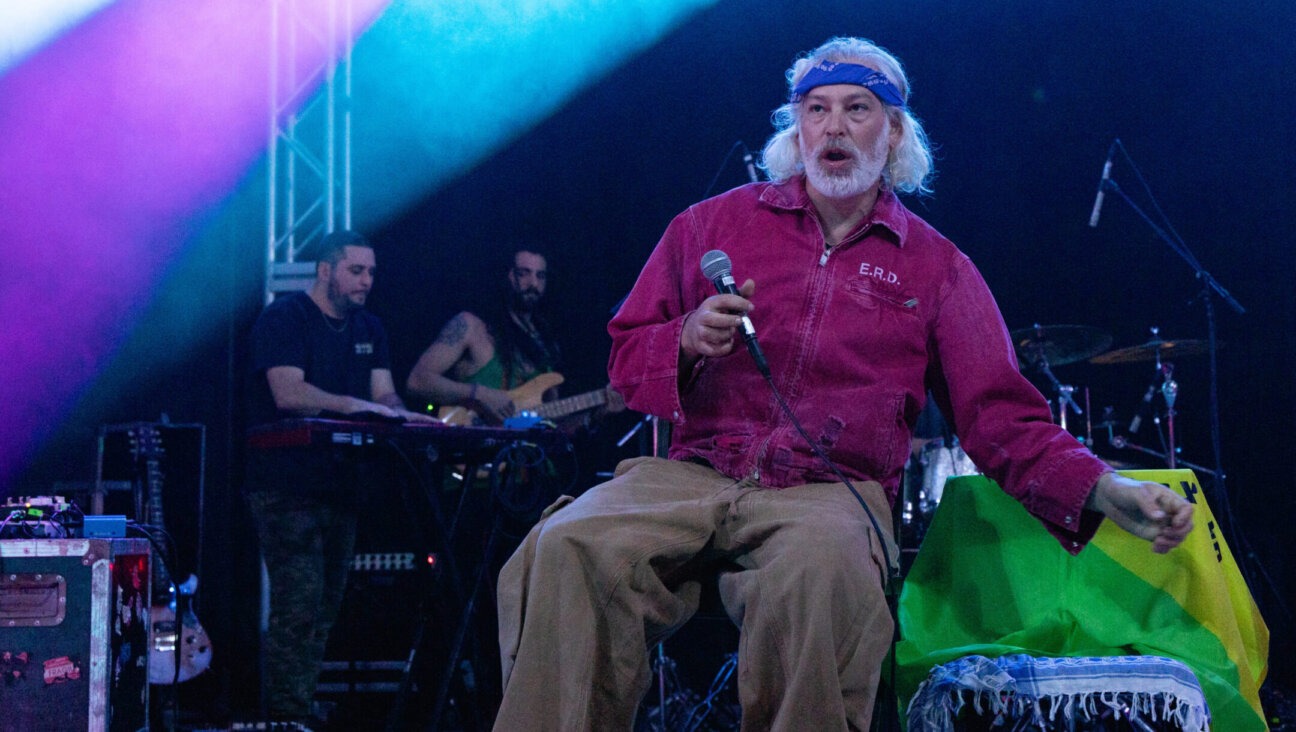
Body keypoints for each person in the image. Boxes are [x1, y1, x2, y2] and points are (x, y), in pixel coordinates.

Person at [490, 37, 1195, 731]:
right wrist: (684, 339)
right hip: (694, 476)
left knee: (822, 576)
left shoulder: (938, 268)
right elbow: (623, 361)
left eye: (857, 109)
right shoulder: (709, 225)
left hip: (830, 494)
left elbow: (1004, 419)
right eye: (816, 108)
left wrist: (1102, 486)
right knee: (567, 546)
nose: (833, 127)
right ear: (796, 127)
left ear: (892, 133)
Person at [244, 230, 430, 728]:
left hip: (343, 486)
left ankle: (298, 709)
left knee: (325, 609)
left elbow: (385, 394)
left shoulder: (370, 327)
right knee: (298, 604)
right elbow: (287, 393)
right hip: (286, 487)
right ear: (325, 270)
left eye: (371, 272)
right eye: (356, 270)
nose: (367, 281)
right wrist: (354, 406)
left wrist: (407, 417)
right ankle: (286, 717)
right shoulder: (284, 318)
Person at [406, 248, 564, 425]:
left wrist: (591, 417)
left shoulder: (545, 343)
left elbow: (553, 421)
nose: (533, 283)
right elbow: (417, 381)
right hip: (472, 444)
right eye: (523, 274)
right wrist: (479, 394)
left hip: (523, 450)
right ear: (507, 276)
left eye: (540, 276)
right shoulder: (471, 326)